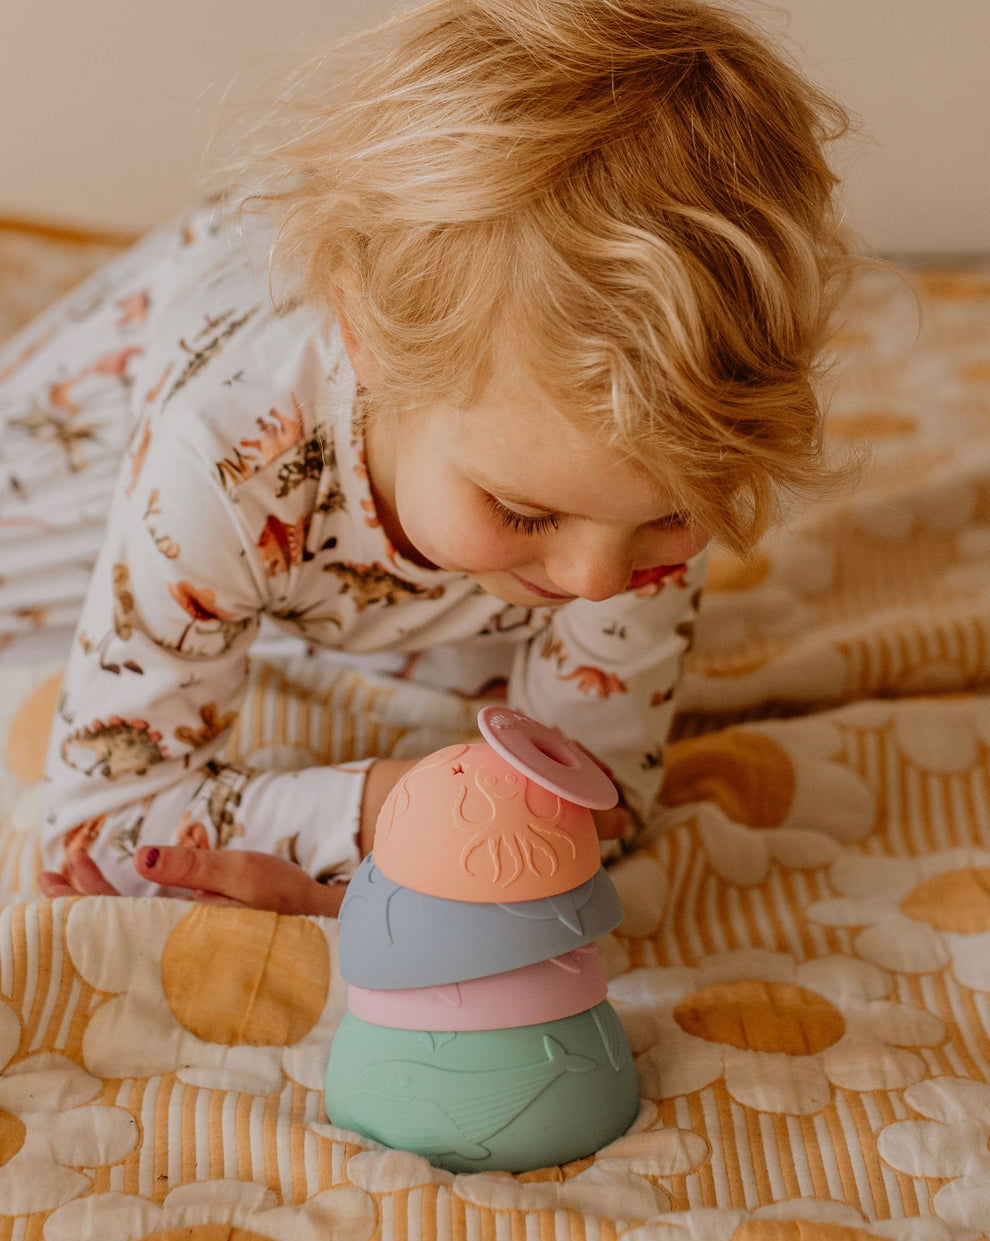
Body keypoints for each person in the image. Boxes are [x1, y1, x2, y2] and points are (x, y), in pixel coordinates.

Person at [16, 0, 855, 914]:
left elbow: (598, 805)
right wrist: (392, 811)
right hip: (84, 449)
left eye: (671, 517)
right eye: (525, 512)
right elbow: (97, 826)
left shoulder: (639, 466)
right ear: (367, 346)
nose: (599, 580)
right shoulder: (222, 460)